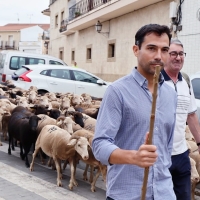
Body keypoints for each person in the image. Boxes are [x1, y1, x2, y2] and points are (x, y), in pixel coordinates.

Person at [92, 24, 177, 200]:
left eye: (165, 50)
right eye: (151, 48)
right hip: (127, 194)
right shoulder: (117, 91)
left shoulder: (170, 94)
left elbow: (167, 146)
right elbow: (99, 145)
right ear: (136, 50)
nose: (159, 56)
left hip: (164, 192)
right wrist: (134, 157)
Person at [161, 38, 200, 200]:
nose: (178, 57)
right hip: (160, 155)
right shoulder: (155, 82)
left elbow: (191, 115)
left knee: (184, 196)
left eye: (181, 54)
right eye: (173, 54)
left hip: (182, 154)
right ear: (164, 55)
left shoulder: (185, 83)